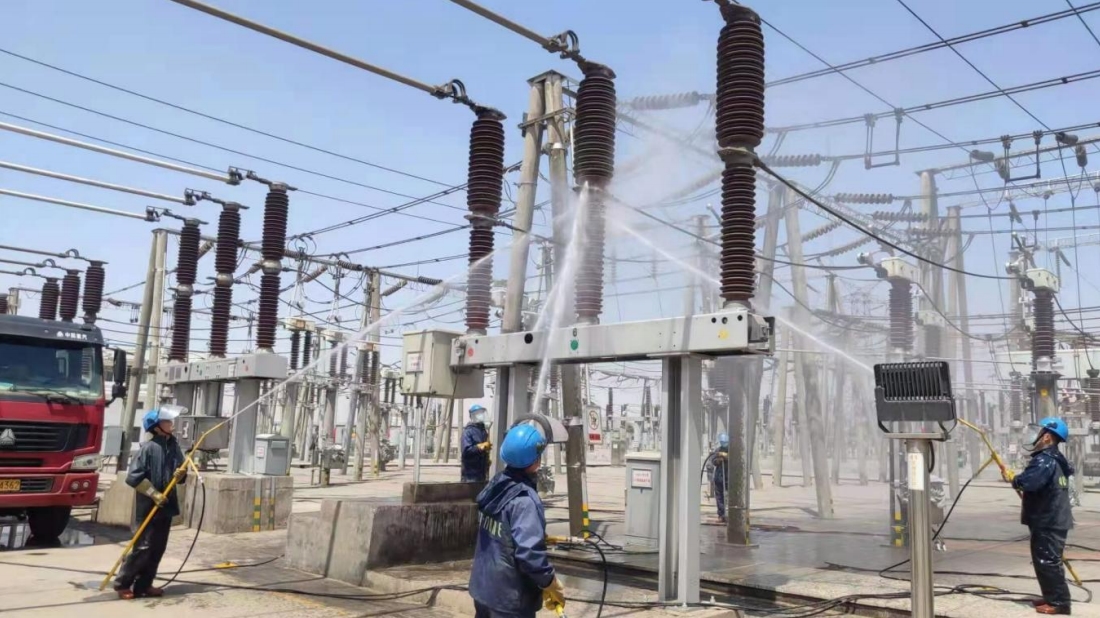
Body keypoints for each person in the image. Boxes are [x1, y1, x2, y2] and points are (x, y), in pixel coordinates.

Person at [469, 422, 564, 618]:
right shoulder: (524, 501)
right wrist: (549, 582)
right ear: (535, 460)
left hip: (483, 590)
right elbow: (529, 554)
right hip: (509, 599)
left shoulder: (496, 485)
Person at [113, 405, 186, 600]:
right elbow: (134, 477)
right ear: (156, 427)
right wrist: (154, 494)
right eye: (166, 421)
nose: (171, 423)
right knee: (143, 547)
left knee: (158, 547)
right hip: (148, 506)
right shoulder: (148, 449)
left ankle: (144, 585)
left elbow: (181, 473)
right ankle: (123, 584)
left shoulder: (174, 447)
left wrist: (181, 474)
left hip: (167, 505)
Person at [1006, 416, 1074, 615]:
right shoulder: (1055, 459)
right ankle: (1051, 597)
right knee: (1045, 560)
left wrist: (1014, 479)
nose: (1032, 436)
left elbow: (1029, 482)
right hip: (1052, 518)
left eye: (1037, 432)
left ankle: (1059, 603)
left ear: (1047, 437)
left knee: (1047, 561)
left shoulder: (1045, 460)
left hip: (1048, 519)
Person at [461, 404, 492, 482]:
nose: (481, 416)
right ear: (473, 415)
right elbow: (466, 451)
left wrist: (486, 459)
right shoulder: (468, 431)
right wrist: (479, 447)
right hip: (470, 473)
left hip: (482, 472)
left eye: (482, 413)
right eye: (478, 413)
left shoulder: (483, 431)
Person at [710, 433, 730, 524]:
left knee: (729, 497)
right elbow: (713, 460)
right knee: (719, 497)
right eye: (722, 442)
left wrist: (726, 458)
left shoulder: (731, 450)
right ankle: (721, 515)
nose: (723, 443)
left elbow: (734, 460)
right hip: (719, 477)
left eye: (725, 442)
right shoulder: (718, 450)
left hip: (728, 478)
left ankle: (730, 515)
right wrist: (718, 460)